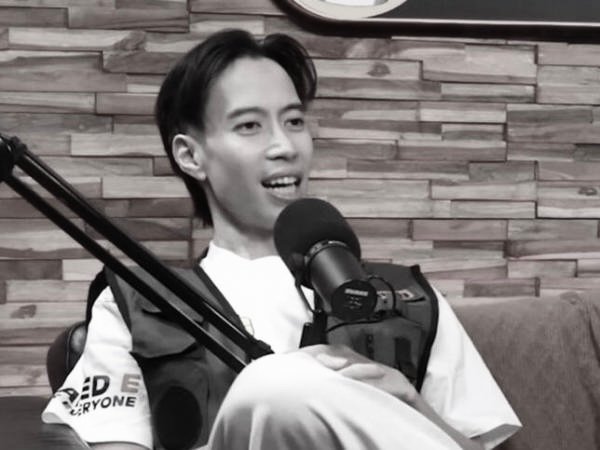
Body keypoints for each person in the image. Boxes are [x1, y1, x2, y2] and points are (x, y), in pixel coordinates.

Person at [41, 29, 520, 450]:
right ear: (191, 156)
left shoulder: (409, 298)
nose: (285, 146)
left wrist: (412, 405)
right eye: (249, 126)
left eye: (294, 121)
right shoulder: (139, 303)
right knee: (275, 382)